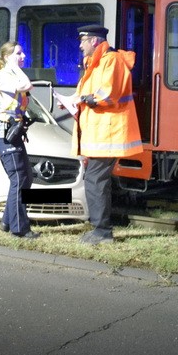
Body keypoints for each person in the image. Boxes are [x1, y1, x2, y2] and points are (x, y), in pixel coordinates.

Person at [62, 24, 142, 245]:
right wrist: (72, 101)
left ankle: (102, 232)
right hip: (101, 133)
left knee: (95, 180)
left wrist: (86, 100)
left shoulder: (111, 61)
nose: (80, 45)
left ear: (94, 41)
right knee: (96, 179)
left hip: (108, 133)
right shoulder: (95, 63)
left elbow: (106, 95)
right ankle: (100, 229)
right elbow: (85, 92)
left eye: (83, 41)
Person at [0, 41, 38, 239]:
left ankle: (8, 221)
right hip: (5, 132)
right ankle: (20, 228)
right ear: (7, 57)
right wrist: (15, 67)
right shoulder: (4, 76)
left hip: (13, 132)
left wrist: (15, 66)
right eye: (18, 53)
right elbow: (27, 85)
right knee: (18, 178)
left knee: (26, 176)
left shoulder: (10, 74)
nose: (23, 56)